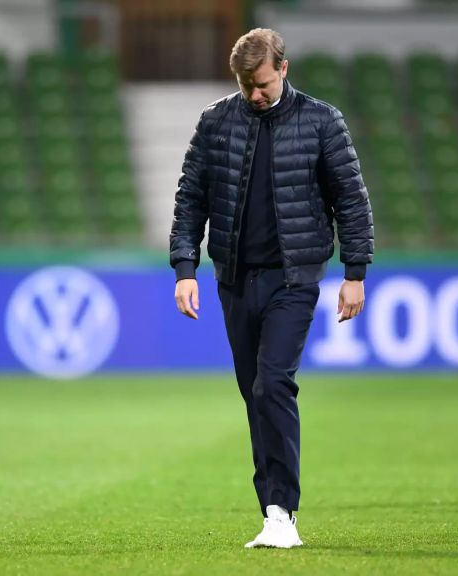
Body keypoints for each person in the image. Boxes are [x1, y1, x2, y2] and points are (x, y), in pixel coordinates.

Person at [170, 28, 374, 549]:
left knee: (272, 385)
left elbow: (350, 199)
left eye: (260, 83)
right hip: (235, 279)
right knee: (253, 394)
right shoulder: (216, 122)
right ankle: (273, 513)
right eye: (244, 85)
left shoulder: (322, 121)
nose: (253, 94)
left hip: (294, 277)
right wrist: (185, 267)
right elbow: (190, 196)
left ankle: (281, 511)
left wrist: (355, 273)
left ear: (283, 69)